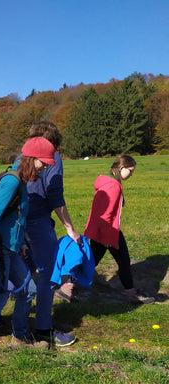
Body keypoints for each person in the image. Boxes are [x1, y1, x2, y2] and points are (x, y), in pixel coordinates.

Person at [0, 137, 55, 351]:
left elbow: (16, 218)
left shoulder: (21, 181)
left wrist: (20, 243)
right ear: (31, 159)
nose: (45, 167)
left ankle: (19, 338)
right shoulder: (11, 182)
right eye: (43, 162)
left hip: (11, 248)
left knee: (29, 289)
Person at [21, 120, 81, 347]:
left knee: (23, 276)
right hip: (37, 224)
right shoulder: (52, 158)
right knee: (49, 275)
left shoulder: (21, 157)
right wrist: (69, 227)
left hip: (17, 225)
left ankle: (18, 325)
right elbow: (55, 196)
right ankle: (44, 329)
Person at [83, 155, 154, 304]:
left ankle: (71, 284)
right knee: (123, 260)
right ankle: (131, 294)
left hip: (101, 230)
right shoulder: (113, 185)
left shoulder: (108, 181)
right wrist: (107, 238)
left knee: (92, 260)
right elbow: (107, 213)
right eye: (131, 170)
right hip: (107, 231)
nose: (132, 174)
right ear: (122, 168)